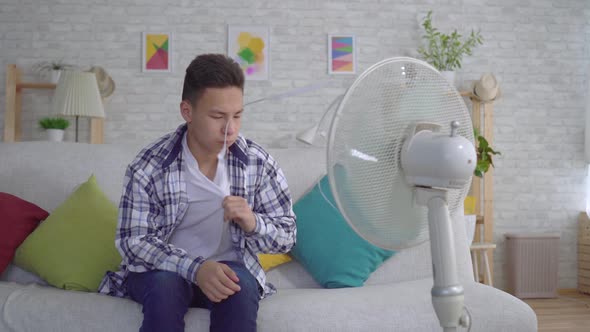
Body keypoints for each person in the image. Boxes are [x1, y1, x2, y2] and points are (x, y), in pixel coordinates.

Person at [98, 54, 297, 332]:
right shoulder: (150, 164)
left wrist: (253, 222)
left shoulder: (257, 162)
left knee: (238, 286)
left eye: (237, 115)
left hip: (227, 269)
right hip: (161, 271)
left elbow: (286, 238)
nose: (230, 128)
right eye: (217, 116)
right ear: (187, 111)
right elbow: (134, 241)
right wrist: (196, 268)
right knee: (166, 286)